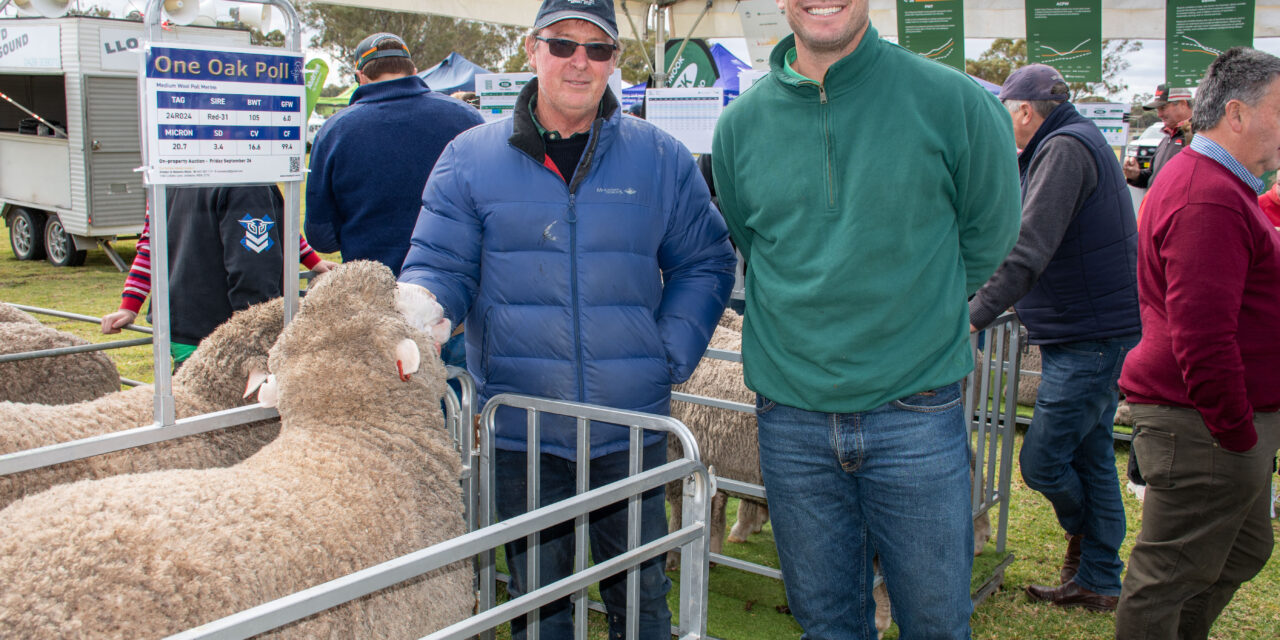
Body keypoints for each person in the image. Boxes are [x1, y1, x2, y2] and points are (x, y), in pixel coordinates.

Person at [395, 1, 737, 638]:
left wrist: (665, 354)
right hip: (524, 432)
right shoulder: (468, 159)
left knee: (642, 604)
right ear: (532, 51)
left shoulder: (659, 158)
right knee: (538, 606)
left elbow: (707, 261)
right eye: (562, 44)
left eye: (598, 48)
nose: (580, 61)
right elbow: (440, 266)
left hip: (629, 431)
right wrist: (418, 313)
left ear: (615, 61)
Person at [710, 0, 1021, 636]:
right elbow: (753, 241)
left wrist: (919, 306)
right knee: (825, 622)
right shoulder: (739, 125)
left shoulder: (953, 102)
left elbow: (990, 232)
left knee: (935, 622)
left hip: (915, 411)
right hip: (791, 419)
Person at [1115, 47, 1280, 639]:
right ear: (1236, 114)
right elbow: (1204, 336)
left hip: (1216, 421)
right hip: (1204, 422)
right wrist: (1237, 432)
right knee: (1170, 573)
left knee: (1238, 551)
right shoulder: (1207, 194)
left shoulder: (1219, 184)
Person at [968, 64, 1141, 612]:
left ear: (1023, 110)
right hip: (1090, 330)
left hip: (1088, 335)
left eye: (1003, 113)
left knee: (1041, 462)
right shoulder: (1068, 142)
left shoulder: (1064, 149)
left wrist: (972, 316)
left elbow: (1028, 247)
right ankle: (1099, 579)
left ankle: (1089, 542)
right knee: (1091, 458)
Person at [305, 32, 483, 275]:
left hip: (373, 290)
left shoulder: (335, 131)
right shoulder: (466, 117)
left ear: (361, 76)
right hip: (455, 286)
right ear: (413, 71)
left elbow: (321, 237)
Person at [102, 186, 335, 366]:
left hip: (177, 324)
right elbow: (253, 270)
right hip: (223, 333)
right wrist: (262, 334)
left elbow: (149, 244)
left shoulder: (169, 171)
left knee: (188, 412)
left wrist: (130, 306)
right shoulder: (246, 182)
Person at [1123, 84, 1193, 189]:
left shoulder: (1199, 138)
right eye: (1158, 109)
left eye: (1163, 108)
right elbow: (1153, 177)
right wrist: (1136, 175)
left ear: (1183, 103)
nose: (1159, 114)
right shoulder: (1167, 138)